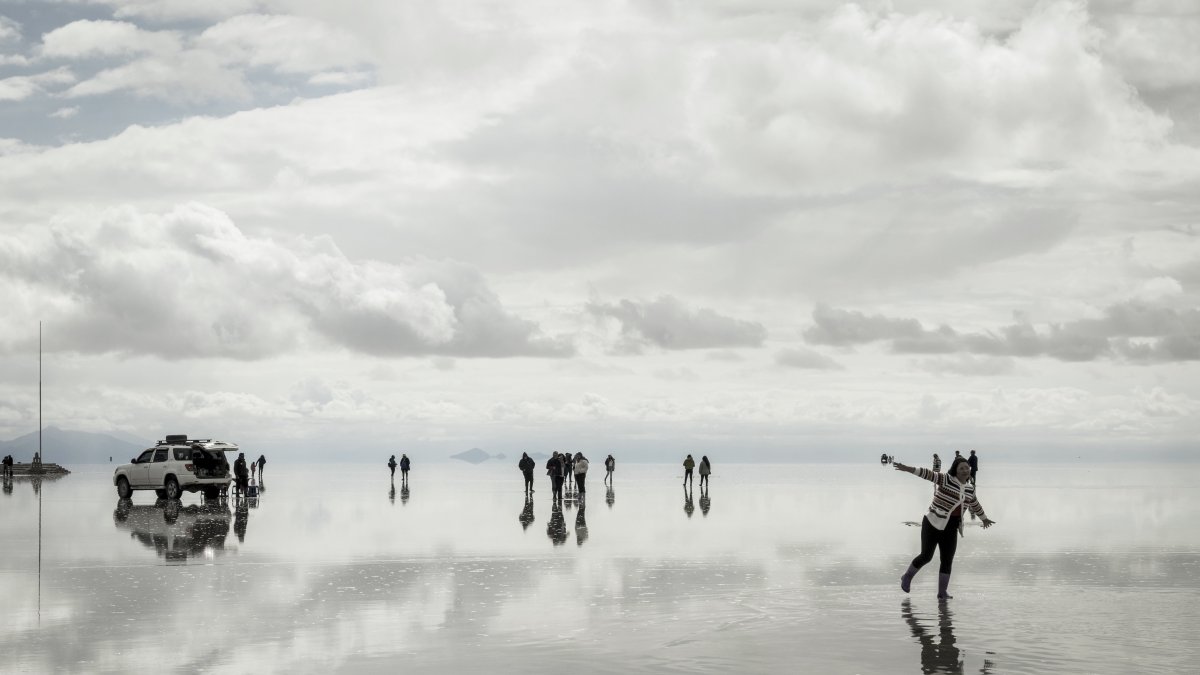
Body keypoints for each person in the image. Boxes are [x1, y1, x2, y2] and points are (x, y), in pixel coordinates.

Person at [892, 456, 995, 599]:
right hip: (932, 522)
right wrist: (907, 469)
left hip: (951, 528)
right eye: (961, 468)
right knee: (926, 556)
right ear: (956, 471)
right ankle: (907, 577)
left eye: (967, 467)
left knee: (947, 560)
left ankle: (942, 592)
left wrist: (984, 519)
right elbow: (927, 474)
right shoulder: (946, 479)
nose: (965, 470)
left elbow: (975, 504)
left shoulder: (970, 489)